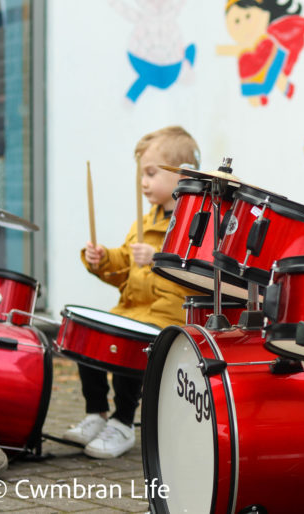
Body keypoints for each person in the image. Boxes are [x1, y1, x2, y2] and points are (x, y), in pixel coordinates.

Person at [62, 126, 200, 459]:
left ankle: (123, 423)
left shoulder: (197, 224)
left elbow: (199, 273)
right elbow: (124, 268)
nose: (144, 181)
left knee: (130, 347)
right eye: (141, 174)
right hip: (132, 309)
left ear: (182, 175)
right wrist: (102, 259)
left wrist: (159, 260)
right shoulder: (142, 222)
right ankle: (97, 413)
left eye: (152, 173)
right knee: (88, 336)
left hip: (166, 319)